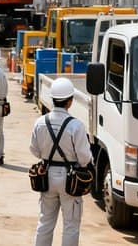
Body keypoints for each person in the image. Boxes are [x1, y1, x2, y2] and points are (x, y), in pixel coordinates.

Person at [29, 78, 93, 246]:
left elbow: (34, 150)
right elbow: (85, 158)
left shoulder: (40, 122)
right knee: (71, 225)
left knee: (45, 222)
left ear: (52, 99)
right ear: (70, 101)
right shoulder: (76, 126)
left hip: (47, 176)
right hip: (70, 179)